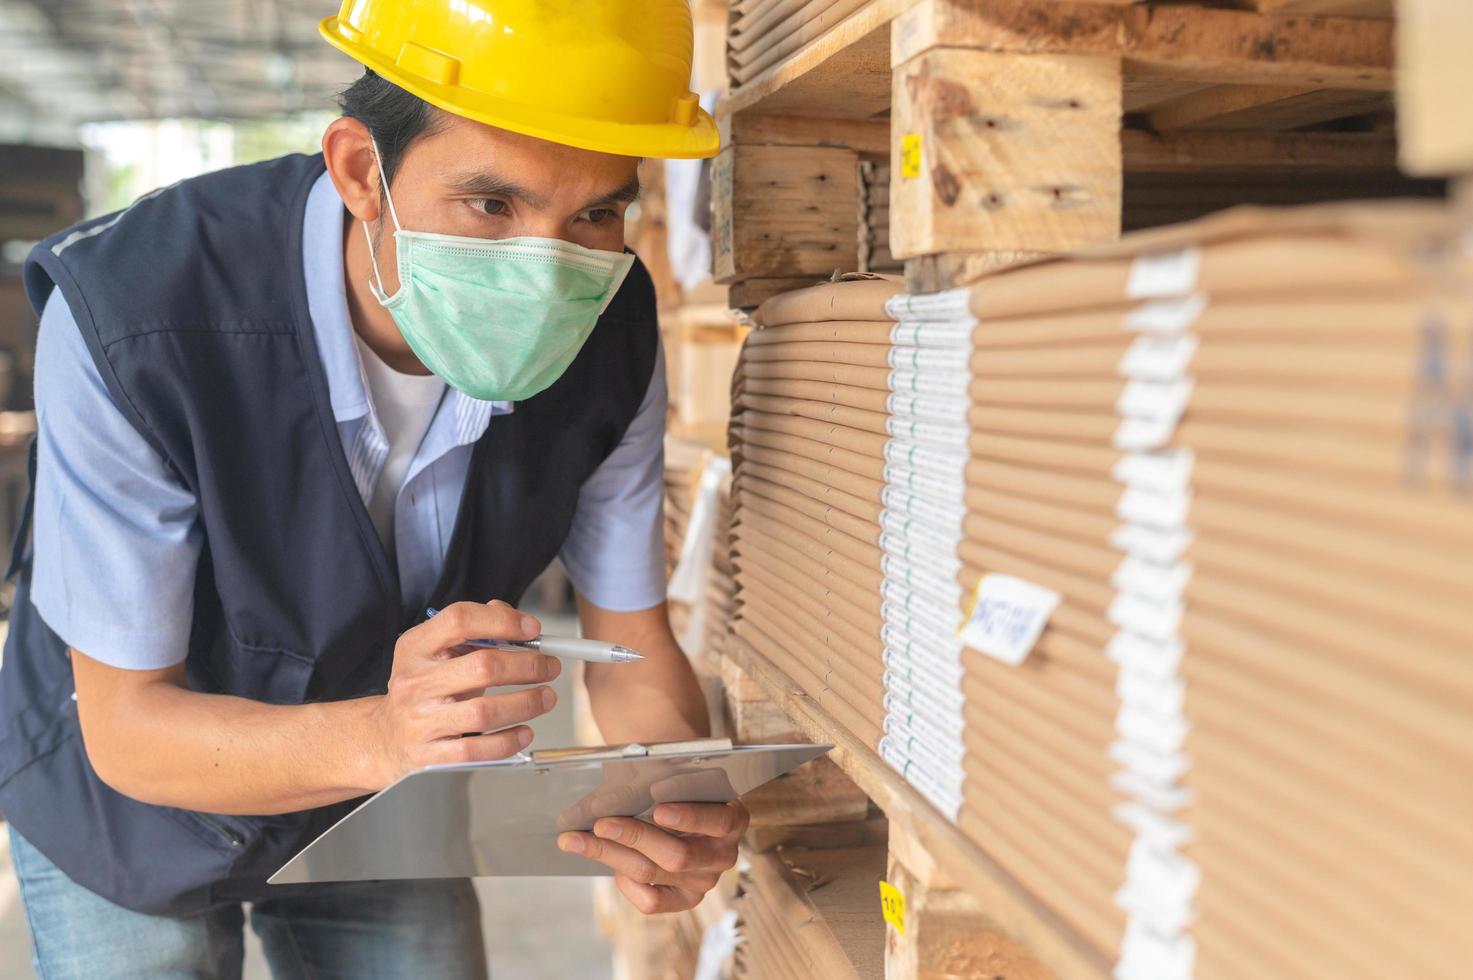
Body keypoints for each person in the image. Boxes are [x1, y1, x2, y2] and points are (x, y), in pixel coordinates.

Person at [0, 2, 741, 976]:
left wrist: (669, 794)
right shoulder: (134, 322)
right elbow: (131, 727)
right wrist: (389, 732)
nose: (546, 268)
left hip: (384, 783)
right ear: (361, 171)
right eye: (492, 204)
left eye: (598, 211)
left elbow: (632, 643)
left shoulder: (611, 330)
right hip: (131, 794)